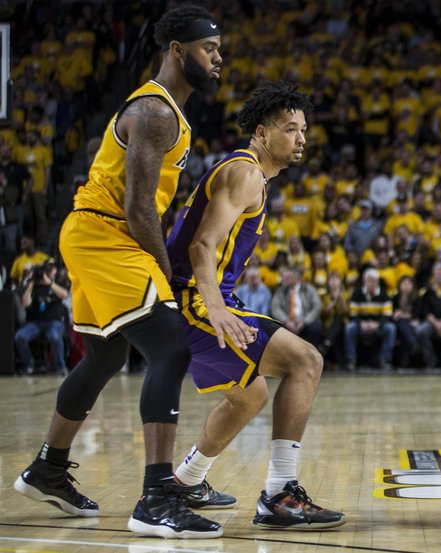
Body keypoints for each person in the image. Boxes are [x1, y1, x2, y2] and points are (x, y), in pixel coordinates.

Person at [14, 4, 224, 538]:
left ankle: (49, 468)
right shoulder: (155, 112)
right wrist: (164, 266)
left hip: (94, 232)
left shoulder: (166, 112)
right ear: (177, 51)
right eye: (209, 49)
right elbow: (137, 207)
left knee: (105, 354)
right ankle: (156, 497)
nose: (219, 59)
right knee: (171, 347)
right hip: (107, 233)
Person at [166, 82, 345, 530]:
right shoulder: (245, 173)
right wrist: (217, 309)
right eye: (290, 128)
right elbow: (202, 246)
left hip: (205, 297)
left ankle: (187, 480)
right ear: (262, 132)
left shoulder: (253, 177)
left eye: (303, 129)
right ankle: (280, 493)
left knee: (249, 397)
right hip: (194, 299)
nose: (301, 137)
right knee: (306, 361)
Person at [15, 260, 69, 375]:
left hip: (54, 322)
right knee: (20, 336)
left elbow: (64, 295)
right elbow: (25, 304)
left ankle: (60, 367)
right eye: (47, 269)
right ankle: (29, 365)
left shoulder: (58, 281)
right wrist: (31, 283)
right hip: (35, 322)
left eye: (52, 268)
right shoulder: (33, 283)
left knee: (54, 336)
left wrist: (49, 283)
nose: (49, 271)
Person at [270, 265, 323, 348]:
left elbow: (317, 307)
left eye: (289, 277)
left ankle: (311, 355)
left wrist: (305, 321)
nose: (285, 279)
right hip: (287, 322)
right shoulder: (280, 290)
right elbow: (275, 308)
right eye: (284, 277)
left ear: (297, 278)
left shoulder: (309, 289)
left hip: (305, 322)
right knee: (275, 327)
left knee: (316, 327)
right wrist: (286, 321)